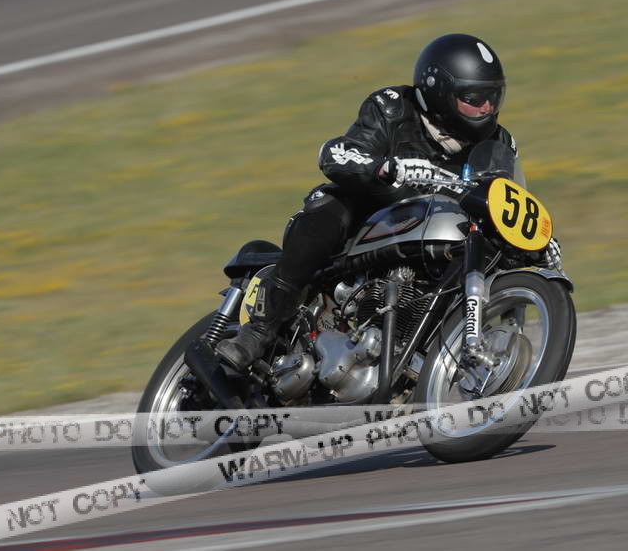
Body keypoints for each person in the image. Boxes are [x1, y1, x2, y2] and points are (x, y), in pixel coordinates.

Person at [216, 33, 562, 372]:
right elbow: (338, 153)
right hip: (367, 219)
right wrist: (383, 168)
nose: (487, 107)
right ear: (440, 93)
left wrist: (538, 241)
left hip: (437, 239)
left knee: (491, 255)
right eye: (474, 98)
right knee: (332, 207)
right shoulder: (393, 107)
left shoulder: (500, 142)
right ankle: (259, 331)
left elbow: (504, 199)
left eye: (493, 97)